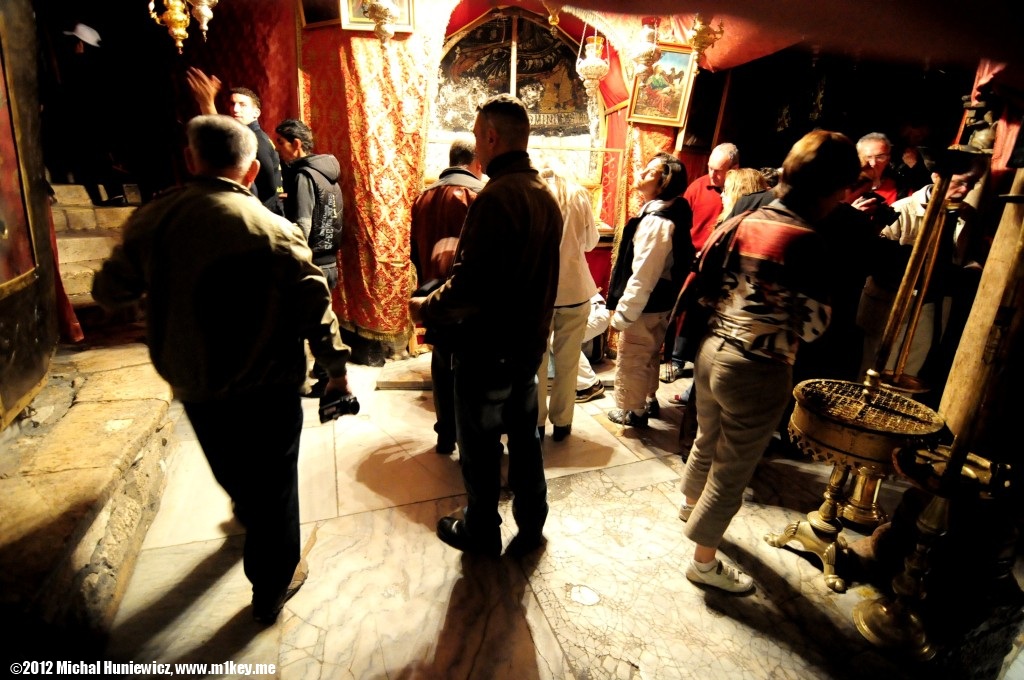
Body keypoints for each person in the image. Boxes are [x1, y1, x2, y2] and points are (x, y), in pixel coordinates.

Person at [91, 115, 352, 624]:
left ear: (191, 159)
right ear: (252, 169)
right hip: (269, 385)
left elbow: (109, 291)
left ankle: (250, 516)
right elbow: (313, 304)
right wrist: (335, 367)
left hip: (196, 382)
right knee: (275, 488)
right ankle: (272, 584)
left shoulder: (154, 219)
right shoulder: (271, 228)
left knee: (229, 467)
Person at [678, 130, 860, 593]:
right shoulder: (805, 240)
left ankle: (689, 505)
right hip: (757, 366)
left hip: (712, 349)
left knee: (706, 437)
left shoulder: (746, 217)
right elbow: (815, 325)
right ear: (829, 188)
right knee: (732, 470)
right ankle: (703, 562)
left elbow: (706, 283)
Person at [409, 94, 562, 557]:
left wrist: (425, 308)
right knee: (525, 438)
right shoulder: (543, 196)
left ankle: (481, 529)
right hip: (527, 345)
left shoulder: (496, 197)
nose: (477, 146)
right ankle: (532, 521)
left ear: (492, 136)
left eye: (478, 136)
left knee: (478, 446)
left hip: (488, 348)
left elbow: (470, 287)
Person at [856, 159, 986, 389]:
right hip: (891, 303)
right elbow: (878, 259)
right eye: (960, 182)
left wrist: (969, 271)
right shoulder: (903, 208)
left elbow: (967, 257)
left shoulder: (968, 216)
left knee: (908, 376)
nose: (965, 190)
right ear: (937, 176)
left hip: (930, 306)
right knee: (873, 372)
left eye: (972, 184)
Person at [605, 152, 693, 427]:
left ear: (665, 181)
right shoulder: (666, 211)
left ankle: (634, 411)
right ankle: (649, 400)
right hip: (659, 301)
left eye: (652, 170)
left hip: (647, 304)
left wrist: (624, 313)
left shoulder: (657, 221)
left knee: (633, 355)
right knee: (650, 351)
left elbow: (643, 274)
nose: (643, 172)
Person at [409, 137, 485, 454]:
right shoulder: (479, 196)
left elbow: (415, 252)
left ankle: (444, 434)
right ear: (476, 163)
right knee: (472, 367)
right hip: (469, 299)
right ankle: (472, 437)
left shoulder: (422, 198)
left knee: (441, 360)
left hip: (432, 293)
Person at [274, 118, 346, 396]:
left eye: (280, 143)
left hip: (312, 260)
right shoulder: (328, 174)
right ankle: (325, 373)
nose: (278, 149)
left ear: (296, 144)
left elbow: (304, 224)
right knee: (324, 317)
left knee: (304, 323)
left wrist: (294, 258)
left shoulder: (304, 176)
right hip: (330, 260)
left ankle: (320, 377)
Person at [536, 161, 599, 441]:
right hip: (574, 290)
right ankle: (562, 423)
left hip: (541, 292)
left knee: (535, 362)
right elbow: (591, 242)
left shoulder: (533, 192)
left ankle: (536, 422)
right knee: (568, 362)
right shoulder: (578, 193)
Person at [666, 143, 740, 378]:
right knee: (684, 310)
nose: (712, 175)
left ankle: (700, 363)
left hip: (723, 265)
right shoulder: (698, 187)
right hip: (694, 260)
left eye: (719, 170)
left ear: (735, 169)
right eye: (710, 168)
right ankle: (675, 358)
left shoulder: (742, 193)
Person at [186, 67, 283, 207]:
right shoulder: (252, 136)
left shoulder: (255, 140)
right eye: (232, 104)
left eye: (242, 105)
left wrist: (207, 104)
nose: (235, 109)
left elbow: (269, 187)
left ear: (256, 113)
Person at [575, 292, 611, 403]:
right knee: (560, 339)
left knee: (561, 341)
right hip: (591, 309)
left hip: (594, 310)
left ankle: (590, 384)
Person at [855, 132, 899, 206]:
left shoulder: (900, 189)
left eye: (879, 157)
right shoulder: (845, 191)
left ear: (888, 158)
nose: (873, 163)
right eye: (868, 157)